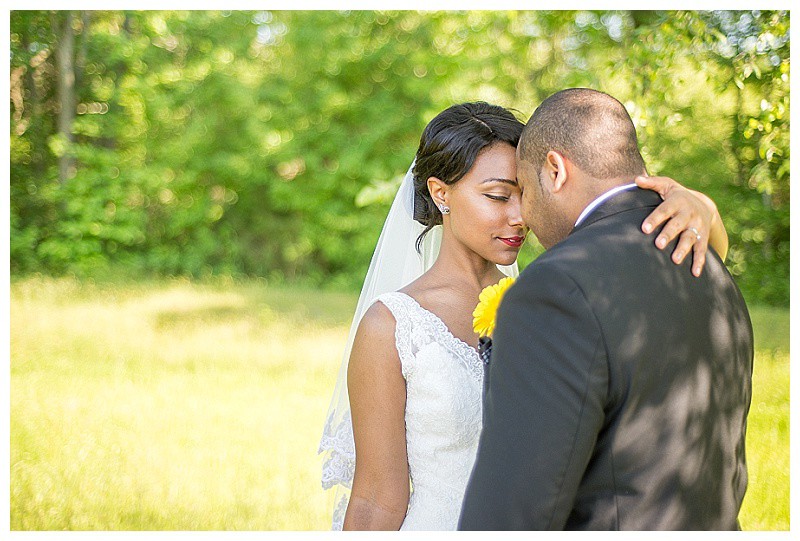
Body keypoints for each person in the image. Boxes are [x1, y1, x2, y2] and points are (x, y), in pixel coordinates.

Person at [319, 101, 731, 531]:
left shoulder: (556, 297)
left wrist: (702, 208)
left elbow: (686, 270)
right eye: (498, 196)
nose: (520, 218)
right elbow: (376, 500)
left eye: (524, 193)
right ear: (441, 193)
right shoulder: (393, 326)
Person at [459, 89, 753, 530]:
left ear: (555, 170)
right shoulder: (707, 262)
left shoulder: (555, 288)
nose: (524, 215)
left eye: (522, 187)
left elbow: (512, 518)